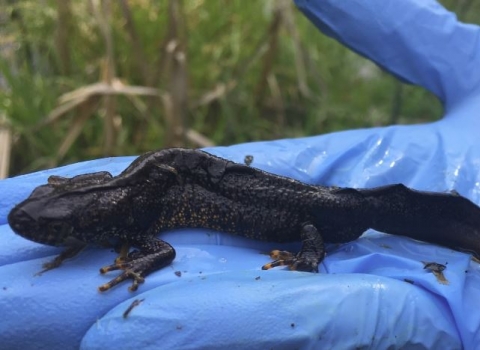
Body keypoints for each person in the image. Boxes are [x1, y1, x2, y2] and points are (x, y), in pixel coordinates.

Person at [1, 0, 479, 348]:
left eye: (52, 229)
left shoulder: (131, 219)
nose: (38, 228)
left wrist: (307, 259)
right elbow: (136, 213)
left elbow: (163, 250)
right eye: (50, 224)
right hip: (282, 200)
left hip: (317, 220)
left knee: (318, 219)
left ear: (92, 222)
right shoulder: (129, 209)